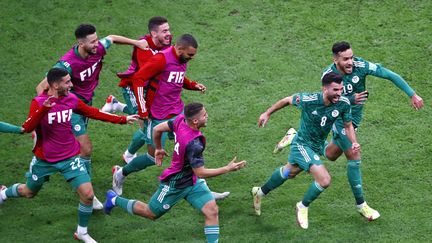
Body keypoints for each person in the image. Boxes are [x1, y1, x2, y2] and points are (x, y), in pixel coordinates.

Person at [0, 68, 138, 242]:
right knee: (29, 192)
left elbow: (93, 112)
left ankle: (82, 232)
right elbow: (26, 128)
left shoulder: (71, 99)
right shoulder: (38, 102)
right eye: (67, 82)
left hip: (70, 158)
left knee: (88, 195)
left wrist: (122, 119)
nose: (71, 85)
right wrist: (44, 109)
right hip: (44, 160)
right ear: (55, 85)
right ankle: (4, 194)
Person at [35, 23, 147, 209]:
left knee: (69, 144)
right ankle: (88, 192)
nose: (97, 44)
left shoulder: (98, 48)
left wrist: (136, 43)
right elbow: (41, 87)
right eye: (93, 42)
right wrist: (47, 111)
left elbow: (111, 37)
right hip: (71, 107)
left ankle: (48, 162)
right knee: (85, 149)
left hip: (84, 104)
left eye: (96, 39)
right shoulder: (67, 64)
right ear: (80, 43)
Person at [104, 102, 246, 242]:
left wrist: (158, 148)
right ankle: (113, 199)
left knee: (212, 211)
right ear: (195, 121)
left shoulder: (181, 119)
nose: (207, 116)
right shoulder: (194, 143)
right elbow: (201, 172)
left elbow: (157, 129)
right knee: (151, 213)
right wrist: (227, 169)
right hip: (175, 183)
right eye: (204, 115)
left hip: (191, 180)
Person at [111, 34, 229, 200]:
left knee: (190, 148)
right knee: (152, 157)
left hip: (177, 111)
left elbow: (176, 77)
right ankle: (120, 173)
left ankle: (204, 191)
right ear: (179, 49)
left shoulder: (181, 60)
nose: (191, 58)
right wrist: (143, 109)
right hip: (157, 115)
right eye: (190, 55)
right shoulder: (161, 59)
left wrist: (192, 85)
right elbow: (138, 78)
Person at [320, 41, 424, 220]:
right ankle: (362, 205)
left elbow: (389, 75)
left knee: (331, 155)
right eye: (345, 59)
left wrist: (412, 94)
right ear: (335, 59)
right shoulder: (329, 76)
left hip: (355, 119)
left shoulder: (361, 65)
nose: (350, 62)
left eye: (351, 57)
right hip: (340, 119)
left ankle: (297, 136)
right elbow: (328, 101)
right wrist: (351, 99)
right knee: (354, 156)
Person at [251, 72, 360, 229]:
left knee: (290, 172)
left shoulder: (343, 103)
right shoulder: (309, 100)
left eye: (341, 89)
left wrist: (354, 142)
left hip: (317, 145)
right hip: (302, 145)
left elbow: (348, 125)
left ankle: (259, 192)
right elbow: (287, 100)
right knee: (324, 180)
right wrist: (267, 113)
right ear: (325, 89)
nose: (339, 93)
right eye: (335, 90)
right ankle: (303, 206)